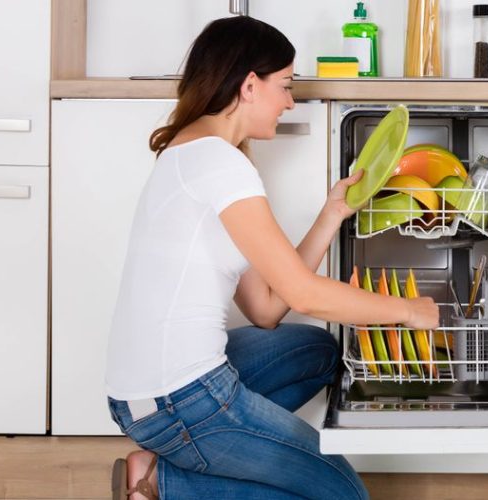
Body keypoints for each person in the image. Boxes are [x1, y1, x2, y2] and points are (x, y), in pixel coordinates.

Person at [103, 16, 438, 500]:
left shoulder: (190, 152)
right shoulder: (221, 164)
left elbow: (266, 308)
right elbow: (303, 293)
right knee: (345, 496)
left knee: (319, 351)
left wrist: (332, 212)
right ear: (249, 84)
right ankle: (168, 484)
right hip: (182, 399)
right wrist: (407, 311)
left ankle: (172, 461)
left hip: (139, 396)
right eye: (285, 85)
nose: (289, 101)